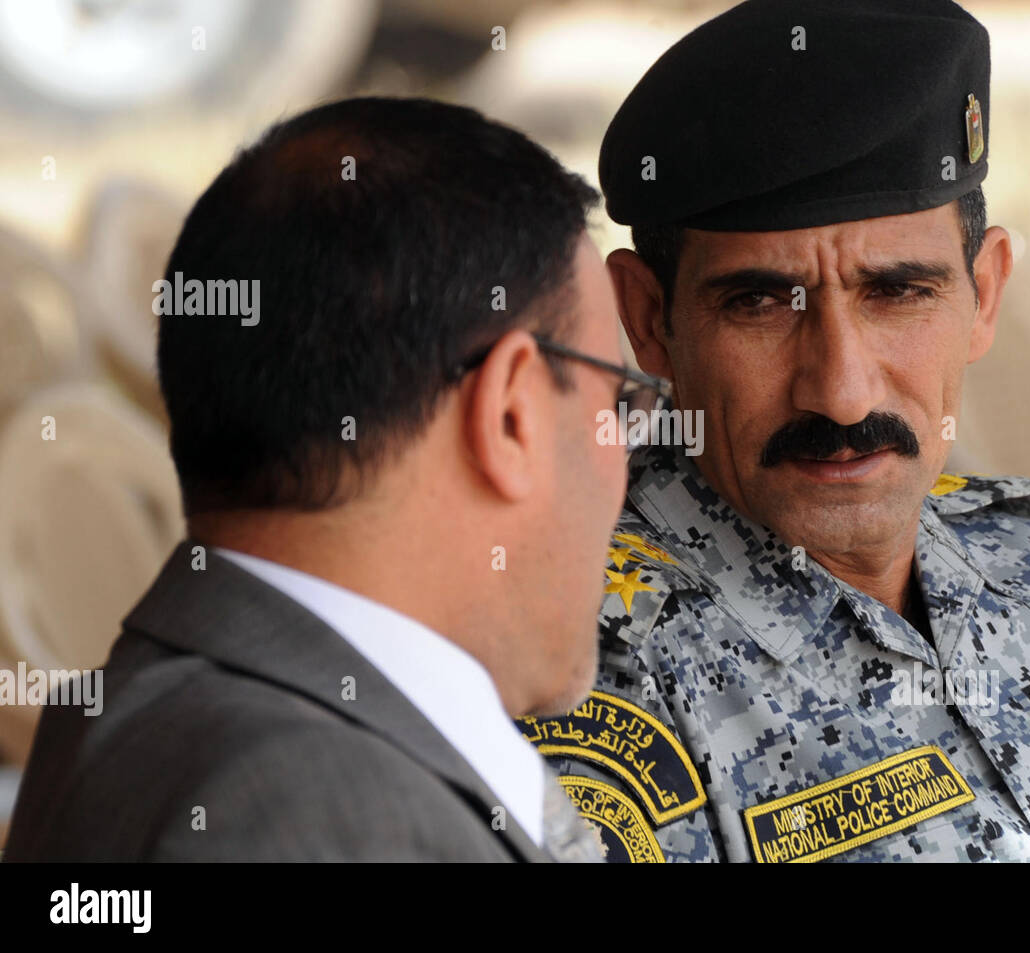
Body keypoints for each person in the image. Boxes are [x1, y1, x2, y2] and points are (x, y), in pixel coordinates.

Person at [519, 0, 1030, 863]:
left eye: (898, 292)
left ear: (986, 296)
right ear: (649, 318)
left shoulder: (1024, 567)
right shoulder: (588, 667)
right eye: (759, 304)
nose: (844, 396)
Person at [3, 96, 642, 862]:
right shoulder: (332, 813)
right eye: (619, 399)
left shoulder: (139, 706)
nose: (627, 453)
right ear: (512, 413)